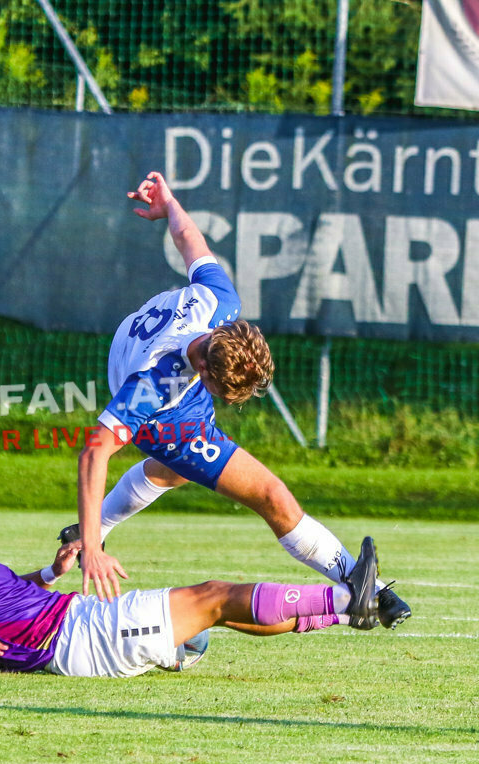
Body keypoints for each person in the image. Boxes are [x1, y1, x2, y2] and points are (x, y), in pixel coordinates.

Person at [67, 171, 410, 631]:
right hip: (162, 413)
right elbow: (95, 448)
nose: (233, 403)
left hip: (136, 340)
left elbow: (188, 236)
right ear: (205, 373)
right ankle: (363, 589)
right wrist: (91, 546)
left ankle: (97, 525)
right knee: (270, 495)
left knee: (173, 473)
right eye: (227, 396)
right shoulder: (155, 387)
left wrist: (169, 205)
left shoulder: (219, 300)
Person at [0, 476, 383, 677]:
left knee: (219, 613)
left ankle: (344, 614)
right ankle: (347, 599)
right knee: (215, 596)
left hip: (80, 620)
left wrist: (49, 572)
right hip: (78, 641)